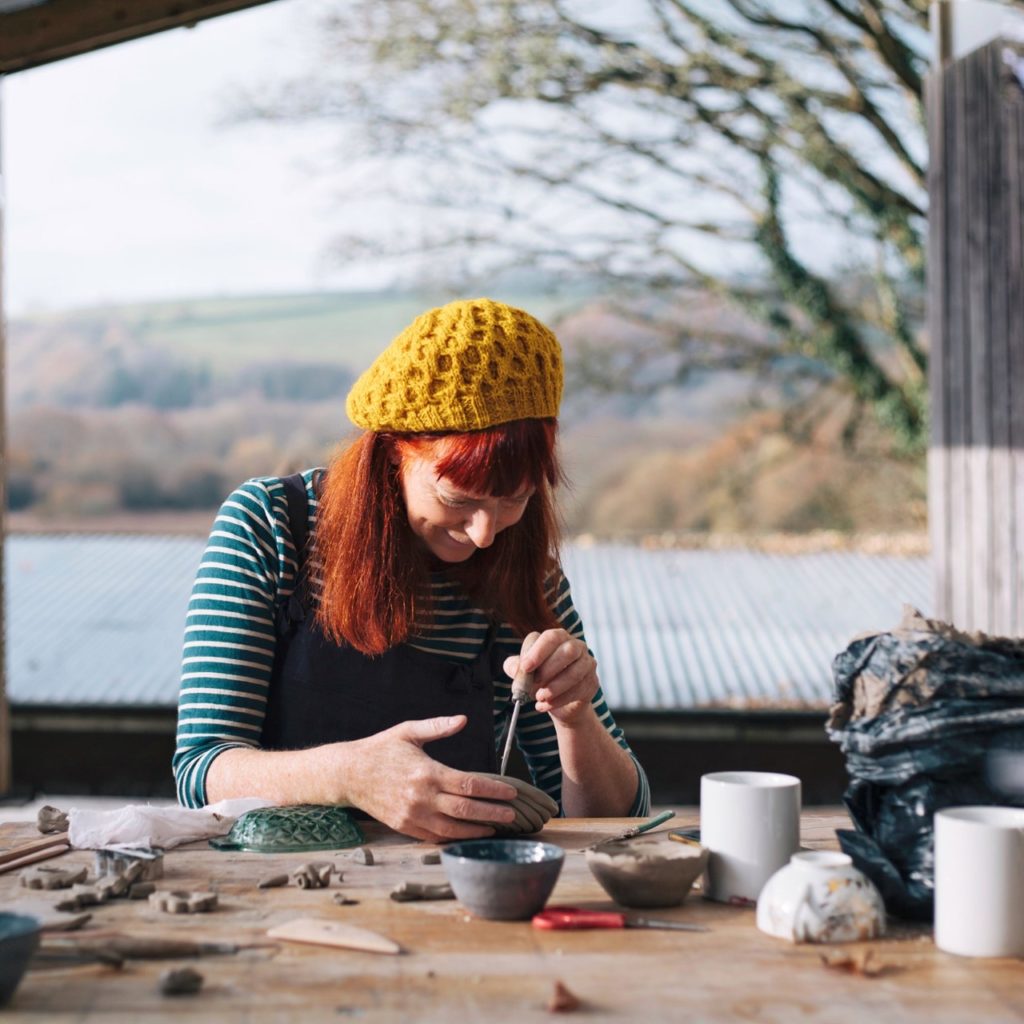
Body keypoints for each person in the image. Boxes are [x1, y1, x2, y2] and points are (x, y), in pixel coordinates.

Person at [173, 298, 649, 841]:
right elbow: (201, 771)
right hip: (280, 882)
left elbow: (617, 818)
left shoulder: (523, 570)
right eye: (457, 497)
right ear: (394, 449)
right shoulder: (270, 526)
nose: (484, 534)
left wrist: (576, 718)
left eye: (514, 500)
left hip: (448, 895)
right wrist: (351, 776)